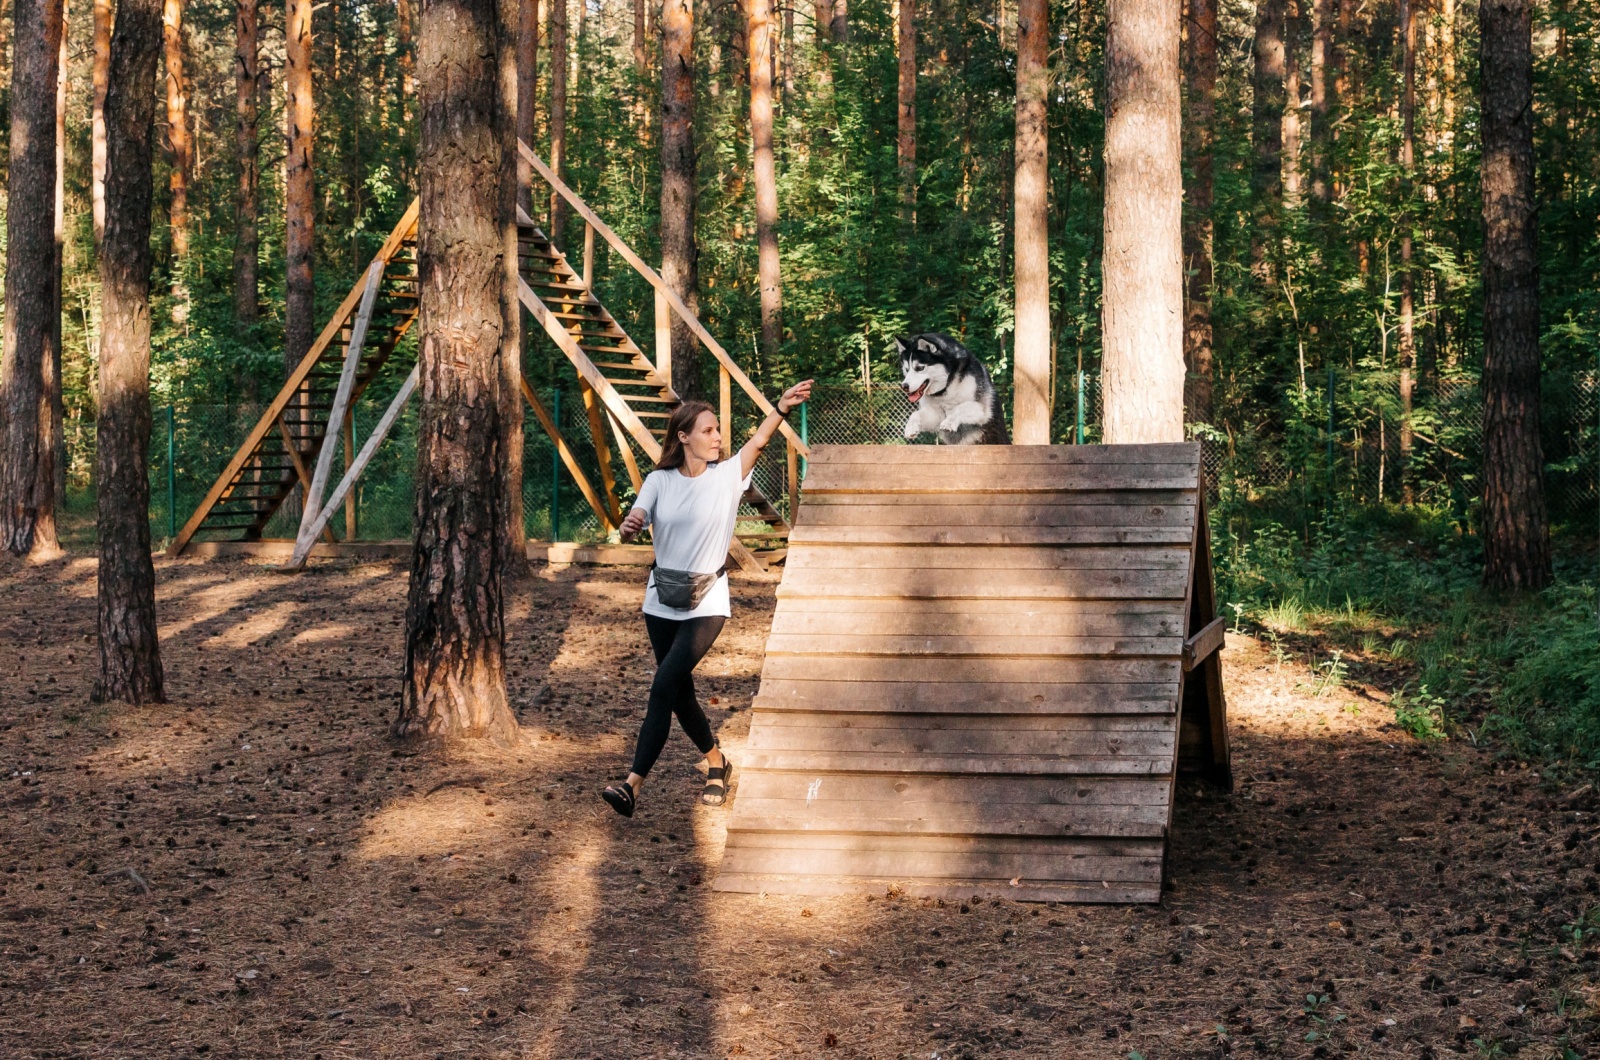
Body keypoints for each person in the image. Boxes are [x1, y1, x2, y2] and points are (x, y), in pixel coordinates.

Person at [601, 380, 814, 818]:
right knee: (680, 694)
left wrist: (781, 407)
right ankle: (717, 761)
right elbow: (635, 517)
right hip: (660, 599)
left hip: (707, 602)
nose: (718, 437)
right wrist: (630, 525)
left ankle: (631, 784)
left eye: (718, 430)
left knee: (663, 684)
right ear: (683, 438)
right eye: (708, 431)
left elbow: (759, 439)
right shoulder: (659, 480)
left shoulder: (728, 476)